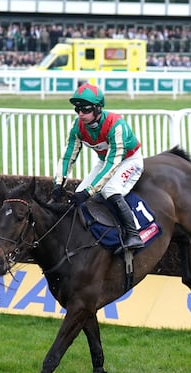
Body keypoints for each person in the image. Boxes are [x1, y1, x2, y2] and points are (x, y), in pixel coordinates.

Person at [52, 83, 145, 252]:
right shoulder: (78, 126)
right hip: (105, 161)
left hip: (129, 160)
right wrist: (59, 183)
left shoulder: (116, 124)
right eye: (77, 110)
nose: (81, 114)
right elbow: (68, 156)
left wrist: (90, 191)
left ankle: (133, 235)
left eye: (85, 110)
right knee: (78, 196)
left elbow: (113, 163)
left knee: (109, 189)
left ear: (98, 108)